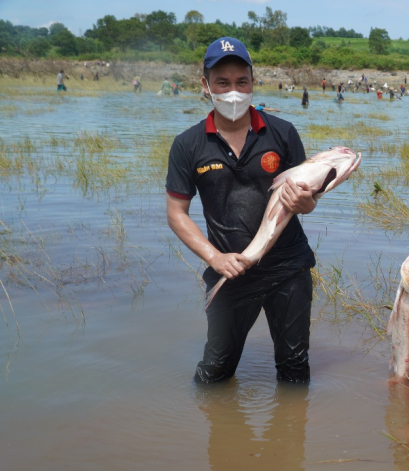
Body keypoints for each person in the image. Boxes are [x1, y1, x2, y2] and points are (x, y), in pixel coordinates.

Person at [166, 37, 318, 384]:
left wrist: (306, 203)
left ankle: (291, 435)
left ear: (253, 81)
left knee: (295, 369)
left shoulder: (282, 133)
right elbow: (176, 213)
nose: (233, 91)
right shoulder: (188, 145)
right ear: (205, 85)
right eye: (222, 82)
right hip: (230, 271)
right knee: (215, 372)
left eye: (241, 81)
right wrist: (215, 257)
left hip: (288, 266)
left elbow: (307, 201)